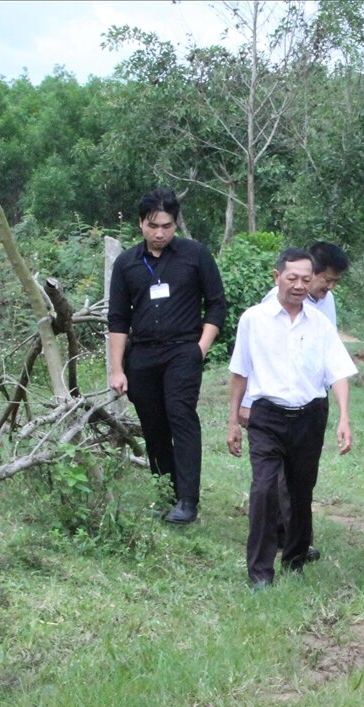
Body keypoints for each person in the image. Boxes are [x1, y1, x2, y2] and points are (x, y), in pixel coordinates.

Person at [226, 248, 356, 588]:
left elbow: (338, 372)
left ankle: (295, 559)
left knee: (300, 491)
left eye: (306, 279)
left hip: (309, 417)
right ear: (277, 276)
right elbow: (240, 372)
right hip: (267, 416)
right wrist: (232, 420)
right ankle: (259, 573)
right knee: (264, 490)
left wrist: (344, 417)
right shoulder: (254, 319)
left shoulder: (320, 323)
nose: (299, 285)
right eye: (292, 278)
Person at [107, 188, 228, 524]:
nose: (160, 233)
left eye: (168, 226)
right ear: (140, 224)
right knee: (154, 425)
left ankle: (188, 500)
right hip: (143, 355)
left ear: (176, 224)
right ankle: (167, 493)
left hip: (182, 352)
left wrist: (199, 348)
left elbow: (216, 303)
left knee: (181, 416)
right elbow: (118, 318)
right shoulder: (127, 263)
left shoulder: (194, 255)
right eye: (153, 225)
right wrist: (117, 369)